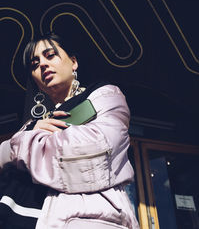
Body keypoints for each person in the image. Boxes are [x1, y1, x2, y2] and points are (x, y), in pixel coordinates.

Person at [0, 33, 140, 229]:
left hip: (85, 220)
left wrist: (14, 147)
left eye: (50, 56)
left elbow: (92, 152)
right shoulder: (33, 124)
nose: (42, 65)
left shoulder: (104, 95)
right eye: (34, 64)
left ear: (73, 62)